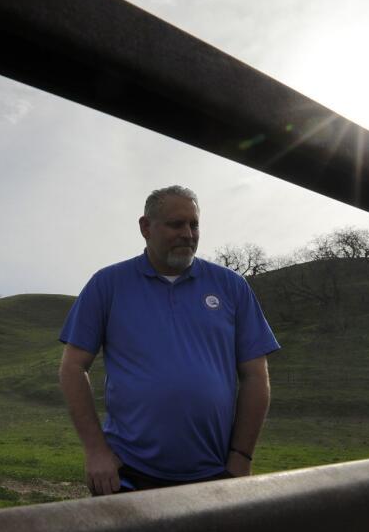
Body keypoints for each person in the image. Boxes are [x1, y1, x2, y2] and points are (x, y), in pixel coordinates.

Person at [58, 185, 280, 495]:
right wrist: (96, 451)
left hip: (216, 473)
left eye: (194, 224)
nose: (188, 234)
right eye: (176, 224)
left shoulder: (231, 286)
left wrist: (241, 457)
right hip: (129, 473)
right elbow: (72, 367)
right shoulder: (107, 285)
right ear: (145, 227)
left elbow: (256, 375)